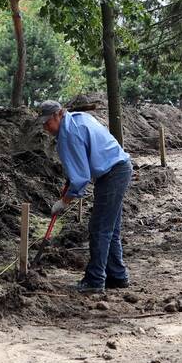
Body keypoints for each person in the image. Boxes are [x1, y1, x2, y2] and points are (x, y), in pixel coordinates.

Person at [38, 101, 132, 295]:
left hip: (112, 173)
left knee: (99, 228)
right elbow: (82, 160)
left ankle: (94, 280)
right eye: (42, 124)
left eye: (47, 122)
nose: (45, 127)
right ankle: (117, 275)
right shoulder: (78, 119)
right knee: (110, 229)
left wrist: (64, 202)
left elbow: (81, 178)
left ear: (58, 114)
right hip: (118, 168)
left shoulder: (68, 134)